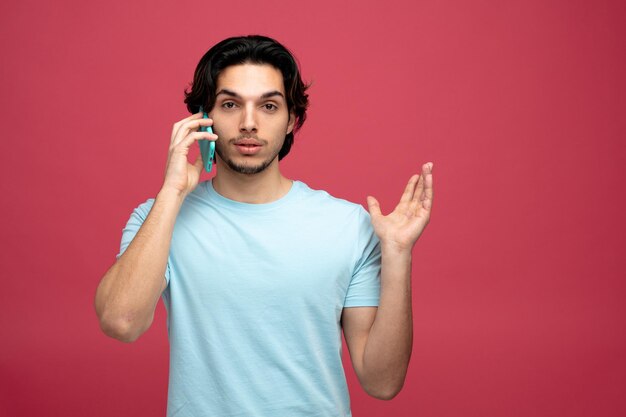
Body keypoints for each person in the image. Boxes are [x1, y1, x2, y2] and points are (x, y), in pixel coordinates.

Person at [94, 35, 434, 417]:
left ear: (291, 119)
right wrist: (172, 192)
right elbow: (121, 322)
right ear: (202, 118)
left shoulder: (348, 225)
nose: (249, 123)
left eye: (269, 106)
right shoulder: (157, 219)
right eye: (229, 104)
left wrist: (400, 255)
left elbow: (381, 382)